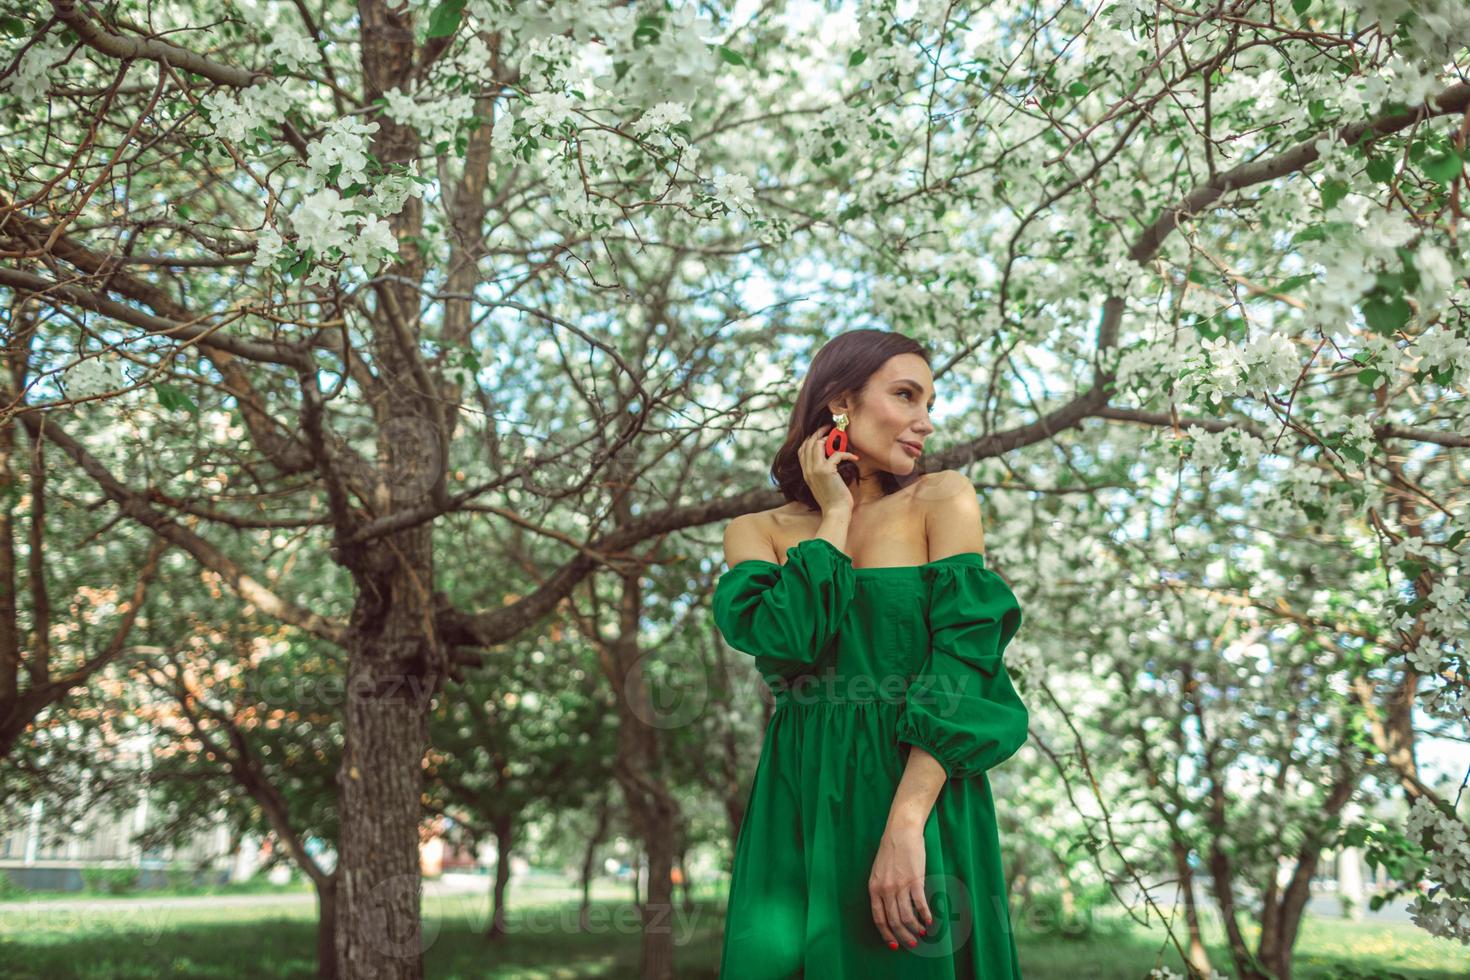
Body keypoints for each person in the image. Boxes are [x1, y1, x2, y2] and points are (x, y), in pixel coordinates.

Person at [712, 329, 1028, 978]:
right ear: (840, 405)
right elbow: (786, 642)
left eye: (931, 402)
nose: (925, 422)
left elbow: (965, 666)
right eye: (906, 396)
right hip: (800, 801)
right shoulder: (756, 533)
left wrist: (906, 824)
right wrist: (834, 513)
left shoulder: (943, 500)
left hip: (922, 786)